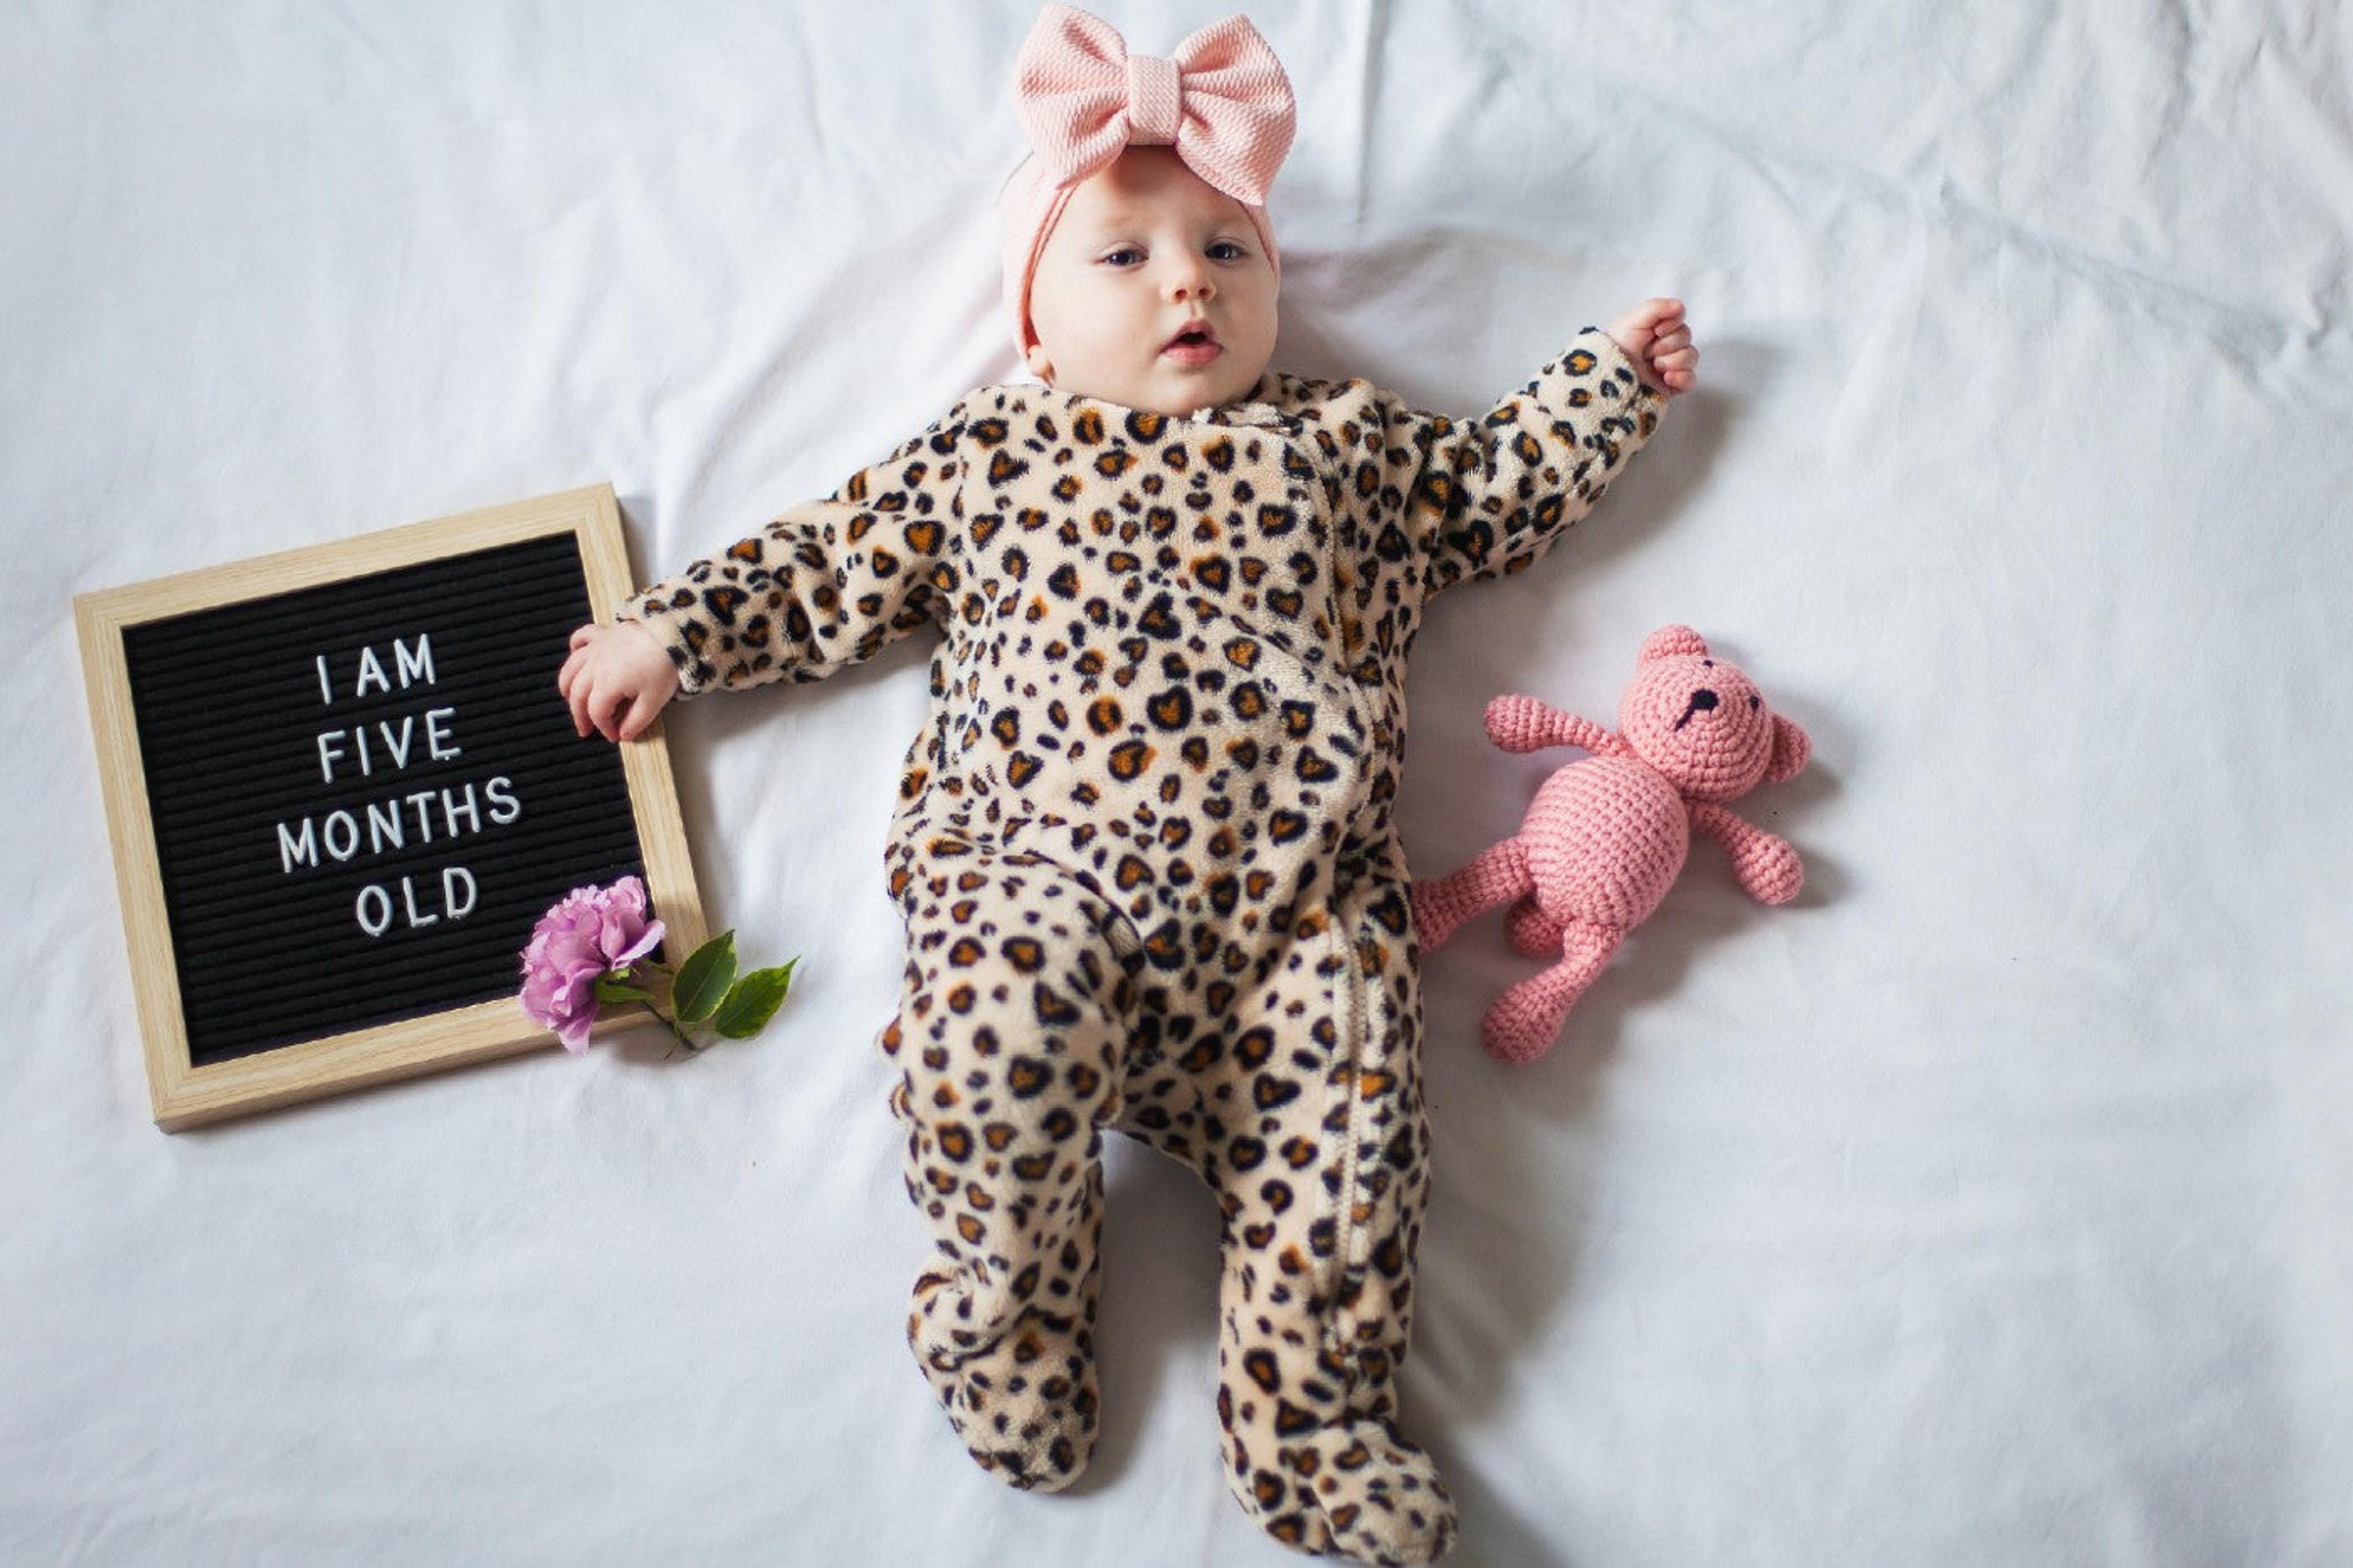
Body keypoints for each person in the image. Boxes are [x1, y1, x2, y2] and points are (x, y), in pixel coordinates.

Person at [558, 8, 1693, 1562]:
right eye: (1129, 256)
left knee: (1356, 1112)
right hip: (1042, 886)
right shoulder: (995, 452)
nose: (1190, 282)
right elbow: (832, 556)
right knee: (991, 1033)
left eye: (1231, 251)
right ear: (1032, 319)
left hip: (1295, 925)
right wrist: (673, 632)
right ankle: (1009, 1317)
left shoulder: (1347, 450)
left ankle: (1313, 1429)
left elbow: (1494, 489)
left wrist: (1607, 385)